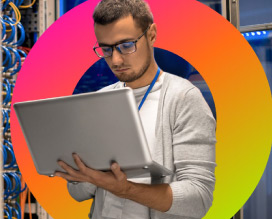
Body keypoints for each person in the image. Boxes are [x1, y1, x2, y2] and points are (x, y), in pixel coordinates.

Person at [54, 0, 216, 218]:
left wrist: (125, 189)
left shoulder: (183, 98)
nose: (116, 59)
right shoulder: (99, 101)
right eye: (106, 49)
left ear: (151, 34)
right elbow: (77, 193)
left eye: (127, 45)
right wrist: (85, 176)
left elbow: (199, 197)